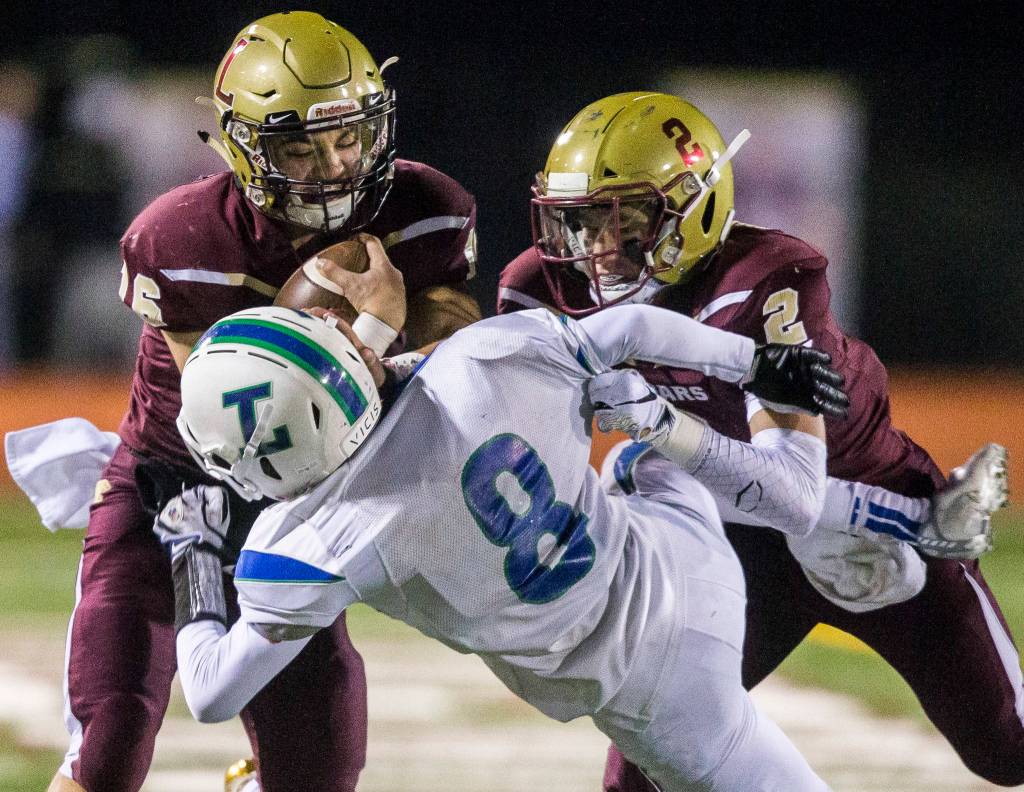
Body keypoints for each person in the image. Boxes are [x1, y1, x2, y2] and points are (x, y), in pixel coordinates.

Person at [496, 91, 1020, 788]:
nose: (596, 249)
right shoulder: (540, 289)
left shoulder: (768, 280)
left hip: (873, 520)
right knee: (647, 769)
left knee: (1008, 747)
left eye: (625, 219)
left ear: (695, 208)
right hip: (742, 546)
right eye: (582, 221)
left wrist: (656, 429)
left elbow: (791, 493)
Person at [158, 293, 848, 792]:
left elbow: (212, 692)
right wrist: (753, 362)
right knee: (634, 445)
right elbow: (630, 325)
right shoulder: (485, 358)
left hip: (648, 693)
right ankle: (833, 501)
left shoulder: (312, 545)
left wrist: (191, 547)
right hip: (686, 548)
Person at [47, 11, 479, 792]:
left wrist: (406, 341)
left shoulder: (427, 210)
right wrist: (375, 331)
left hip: (297, 507)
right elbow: (242, 422)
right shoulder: (181, 239)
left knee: (317, 770)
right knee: (109, 742)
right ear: (245, 147)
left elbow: (459, 359)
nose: (336, 166)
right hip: (169, 487)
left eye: (349, 138)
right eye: (299, 149)